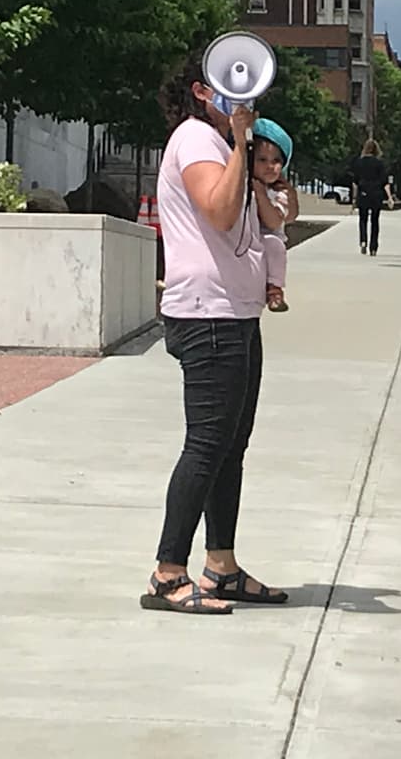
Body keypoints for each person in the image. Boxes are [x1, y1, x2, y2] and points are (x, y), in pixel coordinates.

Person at [140, 51, 289, 615]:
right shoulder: (196, 140)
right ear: (203, 92)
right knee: (206, 445)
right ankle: (167, 573)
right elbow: (220, 213)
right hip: (208, 315)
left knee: (231, 447)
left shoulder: (225, 145)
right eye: (229, 87)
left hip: (237, 314)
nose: (245, 100)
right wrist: (242, 143)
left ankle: (220, 566)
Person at [248, 116, 298, 313]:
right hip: (244, 242)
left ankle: (275, 289)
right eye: (262, 160)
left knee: (274, 245)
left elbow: (274, 221)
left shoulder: (279, 192)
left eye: (276, 161)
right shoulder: (241, 184)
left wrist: (261, 195)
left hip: (266, 240)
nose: (270, 166)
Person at [352, 138, 393, 256]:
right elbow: (385, 182)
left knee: (363, 219)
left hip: (363, 193)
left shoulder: (359, 163)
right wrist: (389, 197)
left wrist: (354, 198)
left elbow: (355, 182)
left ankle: (363, 241)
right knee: (375, 220)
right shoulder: (379, 164)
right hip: (376, 194)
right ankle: (373, 247)